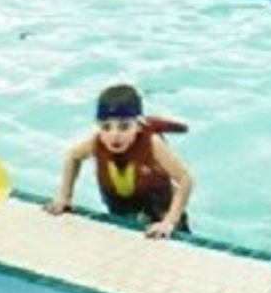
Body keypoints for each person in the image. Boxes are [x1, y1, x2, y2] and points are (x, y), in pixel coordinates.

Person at [47, 83, 193, 238]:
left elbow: (186, 179)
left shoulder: (152, 144)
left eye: (124, 127)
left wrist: (170, 221)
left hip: (159, 209)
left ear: (138, 126)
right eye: (106, 127)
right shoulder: (96, 143)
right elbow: (73, 157)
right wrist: (65, 197)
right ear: (98, 125)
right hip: (122, 208)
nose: (114, 135)